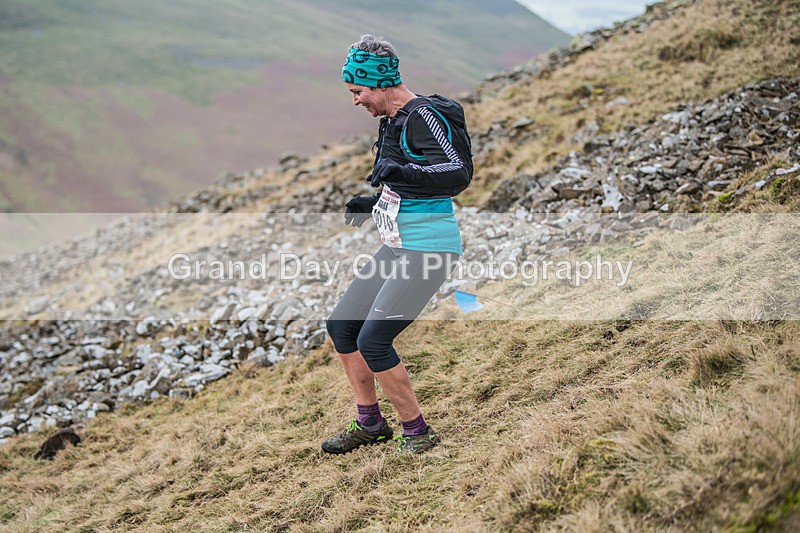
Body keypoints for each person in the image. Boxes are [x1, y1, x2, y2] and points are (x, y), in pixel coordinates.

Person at [323, 34, 473, 455]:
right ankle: (370, 423)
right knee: (342, 327)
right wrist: (374, 203)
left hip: (428, 249)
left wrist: (401, 173)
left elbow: (458, 173)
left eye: (357, 92)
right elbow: (409, 181)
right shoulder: (392, 121)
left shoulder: (423, 116)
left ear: (379, 84)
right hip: (397, 245)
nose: (355, 101)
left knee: (374, 340)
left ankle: (418, 433)